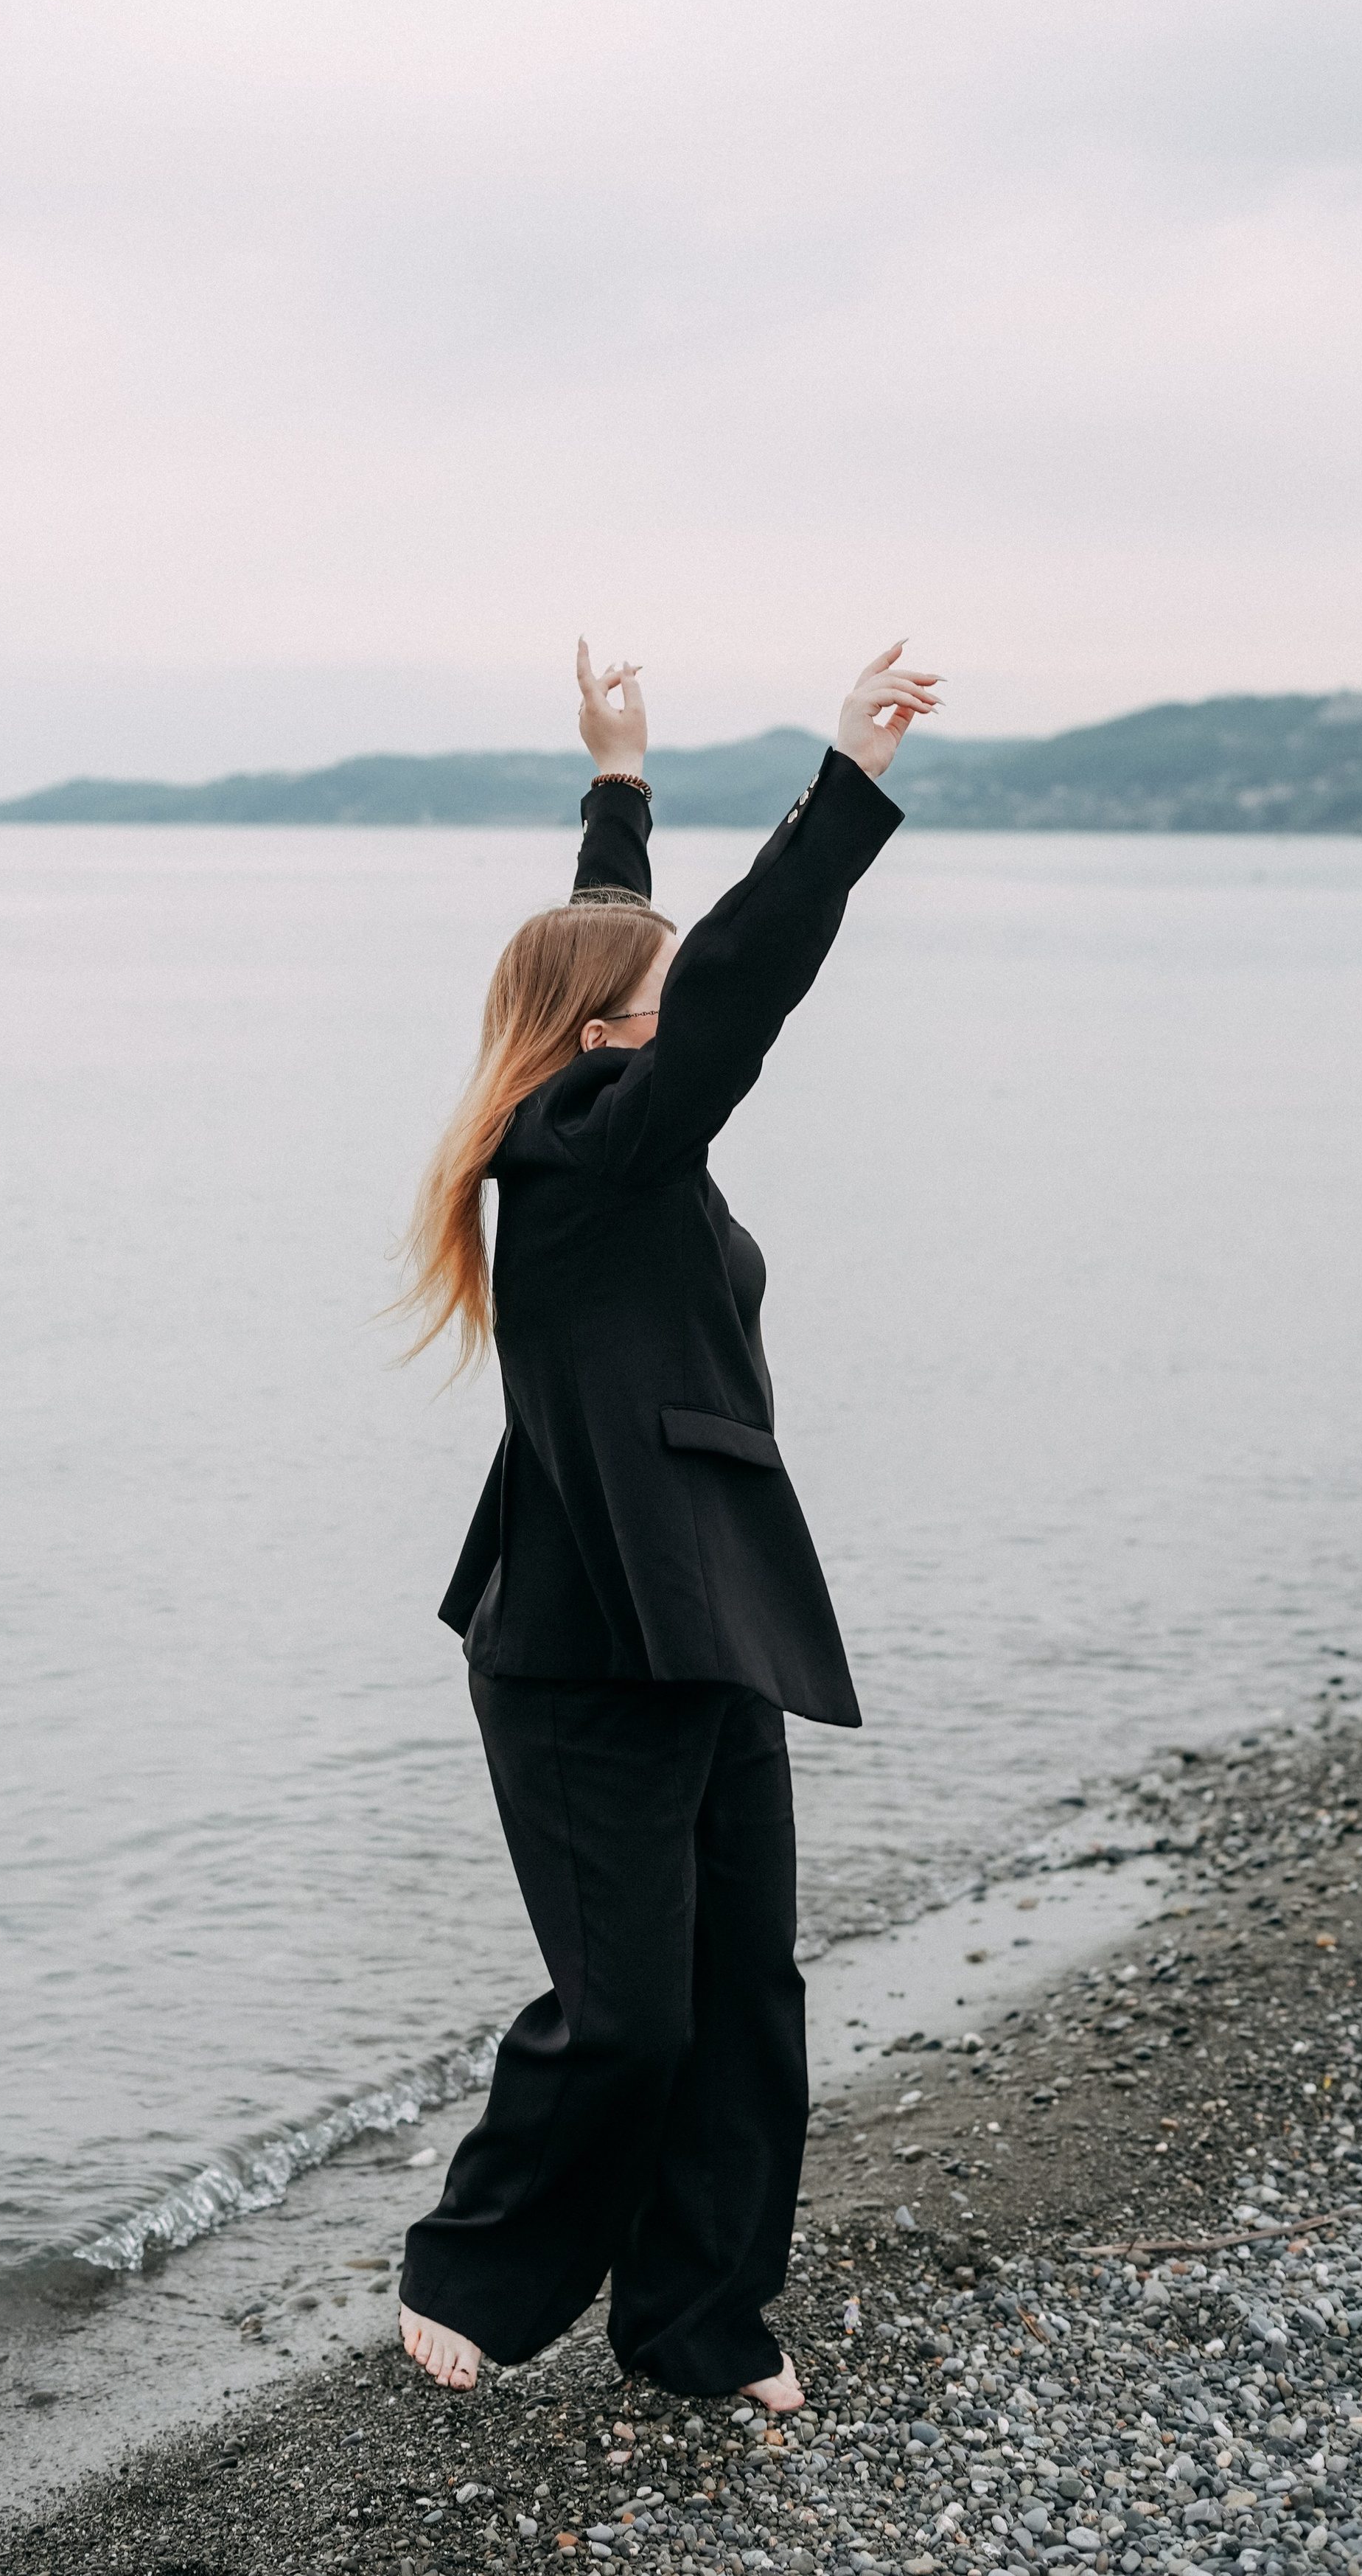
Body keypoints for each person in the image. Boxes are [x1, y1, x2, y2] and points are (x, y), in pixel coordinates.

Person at [391, 638, 940, 2409]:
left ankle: (697, 2330)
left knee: (742, 2007)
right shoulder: (582, 1155)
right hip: (572, 1649)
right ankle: (471, 2274)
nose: (672, 989)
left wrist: (616, 775)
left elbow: (609, 944)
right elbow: (727, 992)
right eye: (653, 992)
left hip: (703, 1617)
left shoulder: (614, 1124)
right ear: (616, 1038)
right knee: (624, 2017)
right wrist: (839, 784)